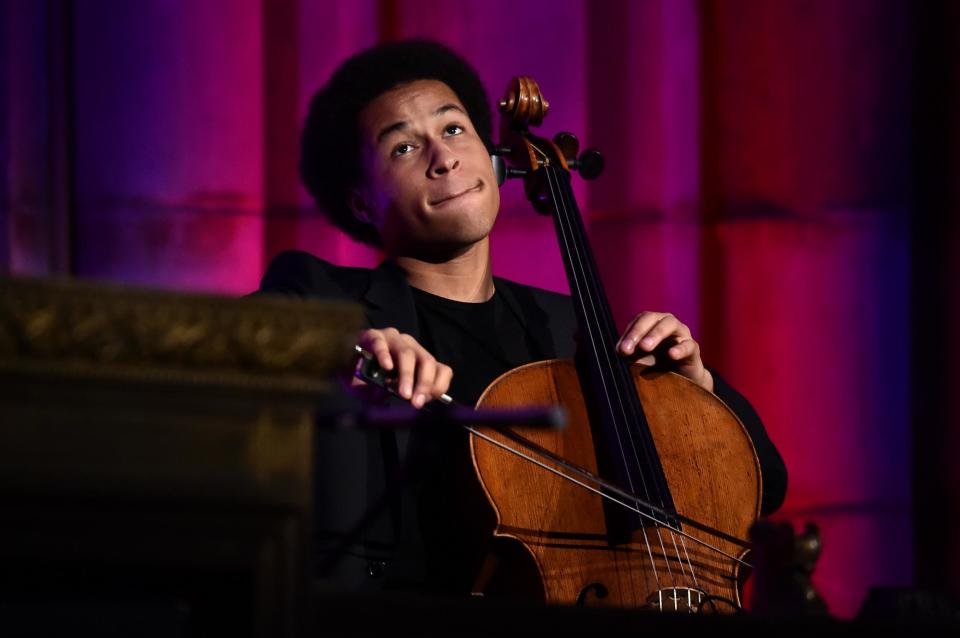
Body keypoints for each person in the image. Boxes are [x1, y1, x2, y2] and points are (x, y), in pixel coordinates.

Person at [258, 38, 787, 595]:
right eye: (404, 149)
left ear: (493, 157)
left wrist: (695, 392)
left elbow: (765, 489)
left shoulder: (569, 331)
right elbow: (229, 346)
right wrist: (344, 347)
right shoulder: (325, 297)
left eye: (454, 129)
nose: (444, 158)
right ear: (362, 202)